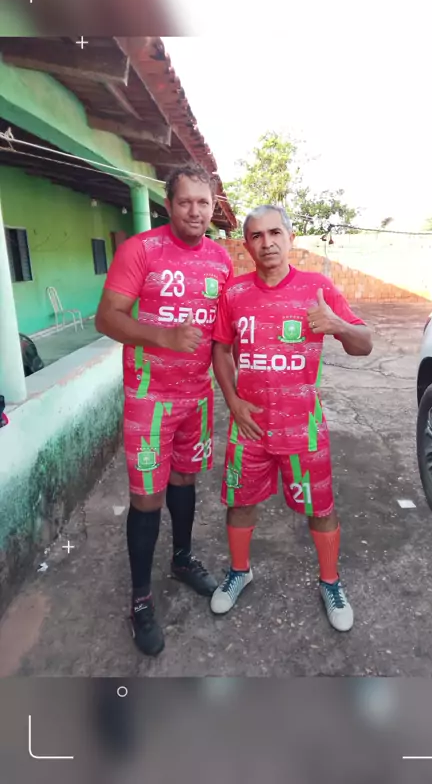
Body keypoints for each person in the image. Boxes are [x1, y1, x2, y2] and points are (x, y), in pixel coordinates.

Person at [210, 205, 373, 631]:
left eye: (275, 233)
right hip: (249, 425)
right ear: (247, 245)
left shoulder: (318, 288)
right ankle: (240, 571)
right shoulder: (234, 293)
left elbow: (365, 344)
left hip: (303, 427)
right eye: (257, 236)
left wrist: (336, 324)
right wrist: (232, 400)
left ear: (290, 237)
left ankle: (331, 582)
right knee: (240, 502)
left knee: (321, 507)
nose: (267, 243)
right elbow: (220, 349)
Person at [95, 163, 233, 656]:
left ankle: (182, 558)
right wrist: (163, 336)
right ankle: (140, 600)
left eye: (204, 202)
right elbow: (106, 318)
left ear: (213, 206)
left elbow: (224, 334)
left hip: (197, 398)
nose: (195, 211)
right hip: (149, 401)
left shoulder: (221, 259)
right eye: (185, 202)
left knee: (184, 481)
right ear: (168, 204)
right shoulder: (141, 250)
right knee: (147, 498)